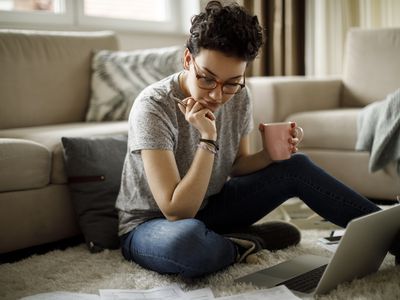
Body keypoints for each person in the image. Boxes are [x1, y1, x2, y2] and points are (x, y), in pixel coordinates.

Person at [116, 1, 399, 278]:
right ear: (188, 59)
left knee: (296, 166)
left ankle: (396, 236)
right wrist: (208, 139)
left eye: (231, 82)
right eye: (207, 79)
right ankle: (246, 241)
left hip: (211, 208)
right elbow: (177, 210)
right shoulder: (153, 106)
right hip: (153, 224)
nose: (217, 95)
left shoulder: (240, 96)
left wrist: (269, 155)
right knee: (187, 245)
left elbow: (237, 165)